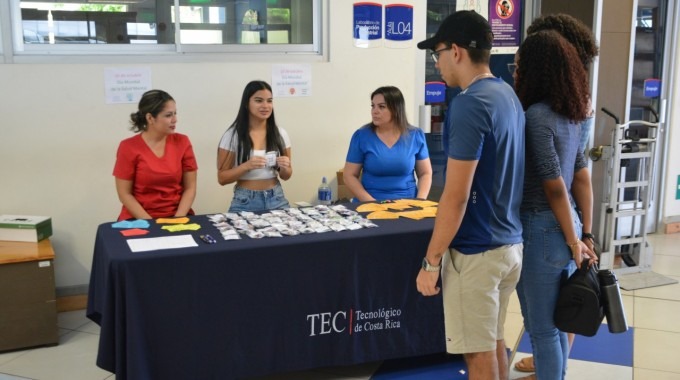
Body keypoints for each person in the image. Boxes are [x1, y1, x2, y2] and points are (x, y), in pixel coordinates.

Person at [415, 11, 525, 380]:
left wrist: (432, 262)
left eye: (438, 54)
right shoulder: (506, 94)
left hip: (477, 251)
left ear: (457, 51)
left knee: (477, 356)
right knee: (493, 343)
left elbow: (456, 196)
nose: (438, 63)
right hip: (508, 244)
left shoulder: (469, 103)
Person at [514, 13, 600, 375]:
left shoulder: (535, 115)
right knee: (556, 322)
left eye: (519, 65)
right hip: (566, 228)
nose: (514, 71)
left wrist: (572, 242)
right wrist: (585, 233)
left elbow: (554, 186)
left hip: (542, 230)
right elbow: (582, 177)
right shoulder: (571, 115)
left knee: (542, 328)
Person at [113, 90, 198, 221]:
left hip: (177, 216)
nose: (175, 120)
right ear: (150, 118)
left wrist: (177, 219)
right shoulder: (128, 147)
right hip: (139, 219)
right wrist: (151, 224)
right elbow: (124, 194)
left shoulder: (183, 142)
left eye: (175, 113)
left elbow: (190, 188)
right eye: (168, 115)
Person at [344, 86, 433, 201]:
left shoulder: (415, 135)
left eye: (381, 107)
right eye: (373, 106)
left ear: (396, 109)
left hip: (408, 203)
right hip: (370, 202)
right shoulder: (361, 136)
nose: (374, 111)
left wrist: (420, 201)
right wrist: (370, 203)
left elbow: (425, 173)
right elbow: (349, 176)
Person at [217, 80, 292, 212]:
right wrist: (246, 166)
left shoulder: (280, 133)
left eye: (269, 101)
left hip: (276, 198)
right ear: (246, 103)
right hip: (245, 200)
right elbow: (222, 178)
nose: (265, 106)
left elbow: (286, 175)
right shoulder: (232, 135)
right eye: (258, 100)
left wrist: (284, 167)